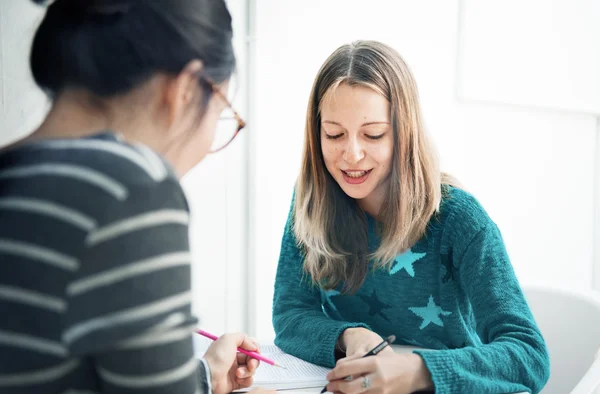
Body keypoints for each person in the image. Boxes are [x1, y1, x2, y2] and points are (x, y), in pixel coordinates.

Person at [0, 1, 273, 393]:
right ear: (184, 89)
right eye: (222, 111)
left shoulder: (14, 171)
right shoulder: (131, 188)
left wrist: (204, 379)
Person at [272, 40, 551, 394]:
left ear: (404, 133)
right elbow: (289, 313)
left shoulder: (459, 219)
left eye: (373, 134)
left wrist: (417, 371)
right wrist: (350, 335)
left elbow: (529, 355)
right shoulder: (312, 201)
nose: (352, 154)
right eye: (334, 134)